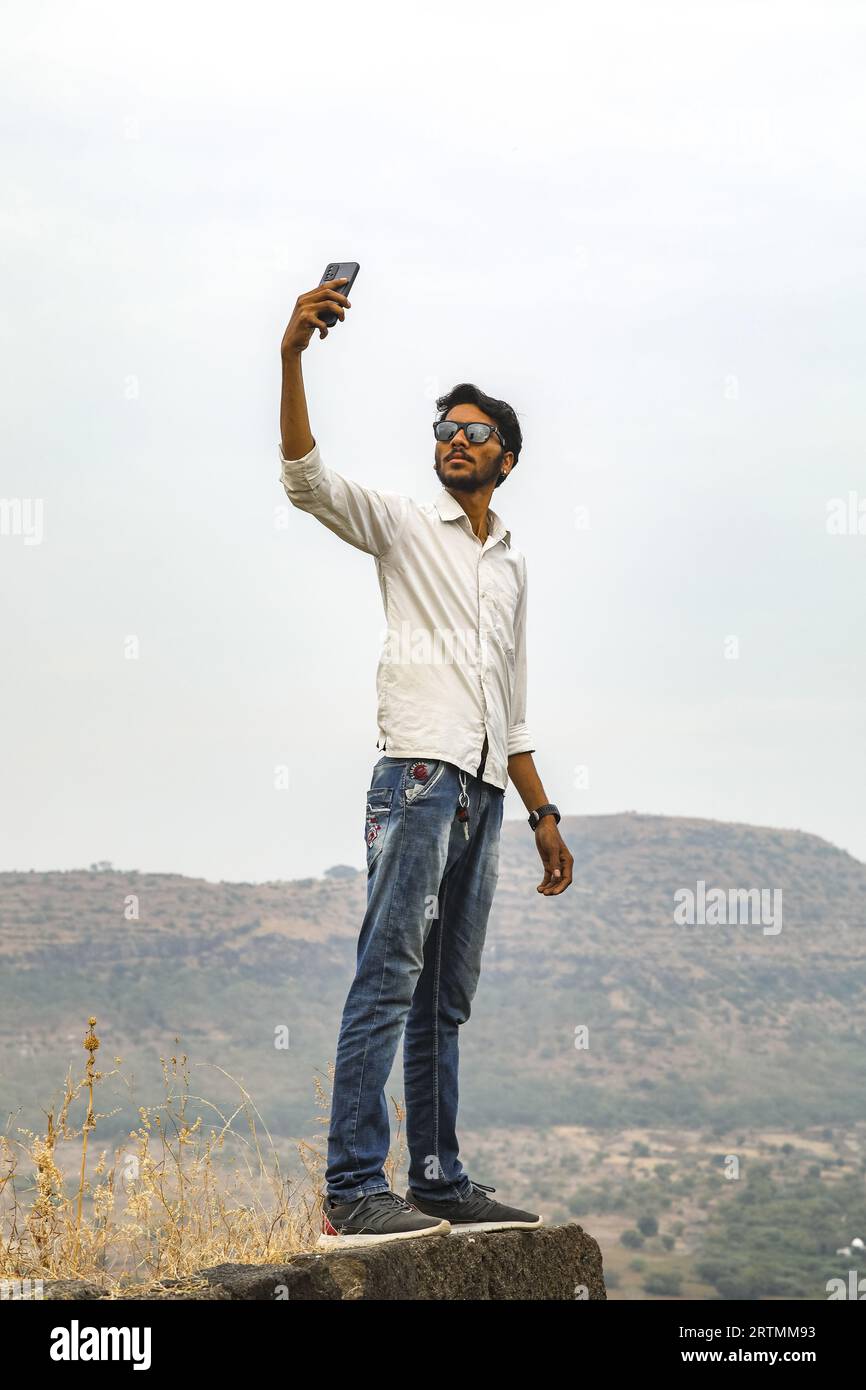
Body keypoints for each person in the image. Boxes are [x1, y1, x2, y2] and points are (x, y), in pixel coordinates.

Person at [278, 275, 574, 1247]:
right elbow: (306, 481)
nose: (452, 438)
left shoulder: (511, 564)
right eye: (443, 426)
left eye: (473, 430)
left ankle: (437, 1176)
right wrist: (290, 355)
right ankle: (354, 1183)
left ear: (507, 458)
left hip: (484, 791)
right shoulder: (405, 528)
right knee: (388, 971)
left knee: (444, 992)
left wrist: (541, 814)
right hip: (417, 779)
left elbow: (512, 702)